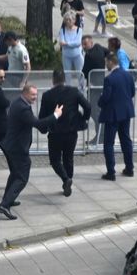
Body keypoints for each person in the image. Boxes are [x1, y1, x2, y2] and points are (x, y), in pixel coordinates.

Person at [0, 84, 62, 220]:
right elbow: (37, 124)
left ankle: (8, 199)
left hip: (12, 145)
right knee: (22, 177)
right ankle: (4, 204)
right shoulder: (23, 108)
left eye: (36, 95)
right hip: (18, 148)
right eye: (33, 95)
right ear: (25, 93)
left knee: (15, 174)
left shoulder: (18, 102)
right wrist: (55, 115)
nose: (35, 98)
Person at [38, 69, 90, 197]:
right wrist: (83, 119)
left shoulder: (47, 95)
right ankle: (68, 179)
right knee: (69, 157)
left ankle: (65, 179)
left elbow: (42, 116)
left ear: (53, 80)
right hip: (71, 131)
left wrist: (43, 128)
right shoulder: (73, 91)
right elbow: (87, 106)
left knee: (55, 160)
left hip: (55, 133)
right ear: (64, 80)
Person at [98, 52, 135, 181]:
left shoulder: (109, 79)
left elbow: (106, 97)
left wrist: (99, 102)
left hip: (112, 115)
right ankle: (129, 168)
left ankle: (111, 172)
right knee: (126, 140)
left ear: (110, 62)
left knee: (108, 143)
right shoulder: (128, 75)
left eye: (106, 63)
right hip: (126, 113)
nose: (105, 65)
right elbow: (132, 92)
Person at [81, 35, 108, 143]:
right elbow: (108, 52)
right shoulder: (99, 47)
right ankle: (101, 134)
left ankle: (101, 135)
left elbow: (85, 71)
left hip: (94, 85)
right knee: (95, 110)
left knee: (94, 110)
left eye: (85, 44)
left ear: (91, 43)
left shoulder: (89, 55)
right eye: (82, 44)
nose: (83, 46)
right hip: (99, 82)